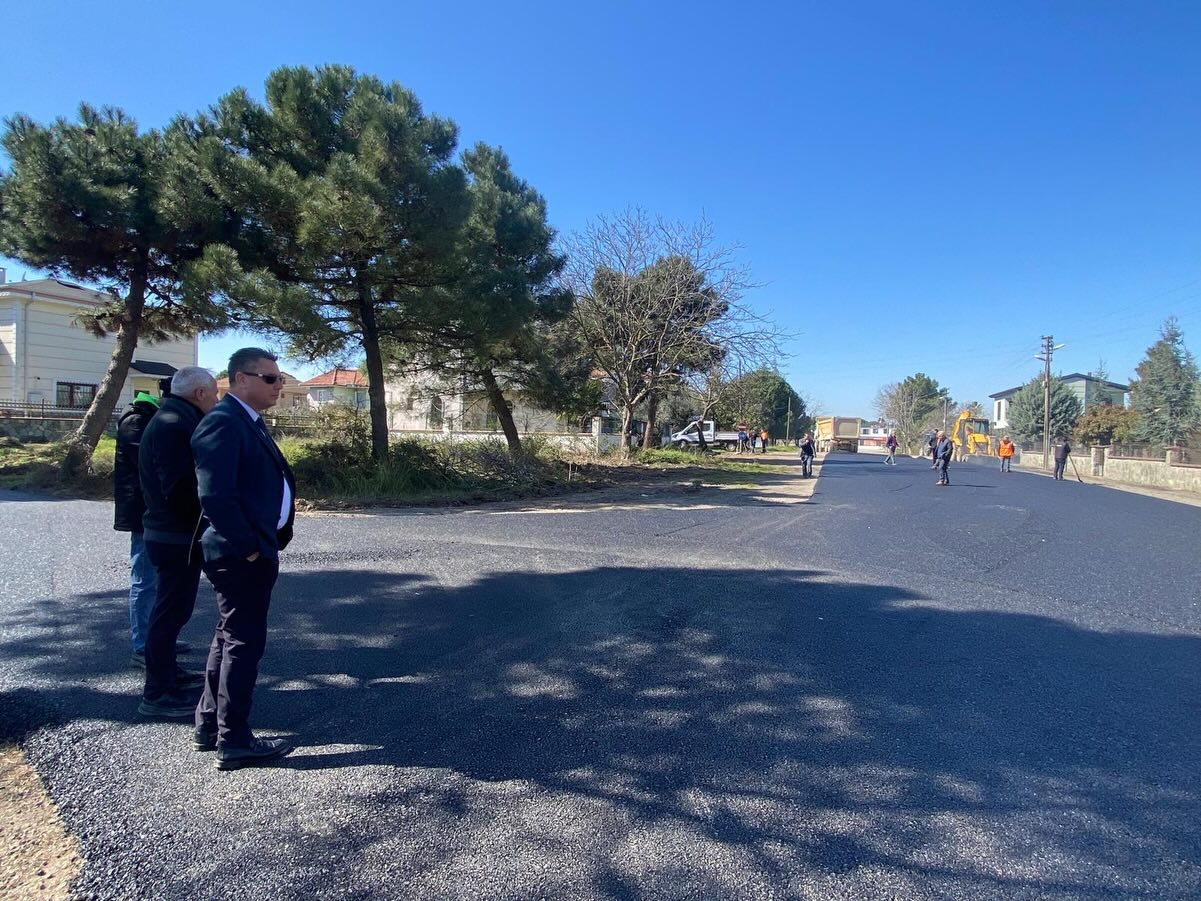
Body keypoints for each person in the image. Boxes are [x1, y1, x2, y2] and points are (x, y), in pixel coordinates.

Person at [191, 348, 297, 770]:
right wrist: (249, 547)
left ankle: (209, 724)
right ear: (240, 379)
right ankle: (234, 740)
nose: (279, 385)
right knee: (243, 642)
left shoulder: (247, 420)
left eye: (280, 378)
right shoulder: (223, 421)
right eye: (270, 378)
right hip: (240, 555)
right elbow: (215, 496)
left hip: (253, 549)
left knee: (228, 636)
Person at [136, 367, 219, 718]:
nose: (216, 399)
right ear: (199, 393)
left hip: (173, 533)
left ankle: (168, 673)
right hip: (175, 536)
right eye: (214, 393)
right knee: (169, 613)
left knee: (175, 610)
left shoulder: (174, 417)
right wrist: (211, 514)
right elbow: (180, 487)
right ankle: (157, 692)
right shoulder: (173, 424)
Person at [114, 388, 161, 667]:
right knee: (144, 580)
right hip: (142, 513)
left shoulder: (146, 418)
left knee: (157, 581)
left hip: (152, 512)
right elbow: (155, 461)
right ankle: (142, 646)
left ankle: (157, 639)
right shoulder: (136, 421)